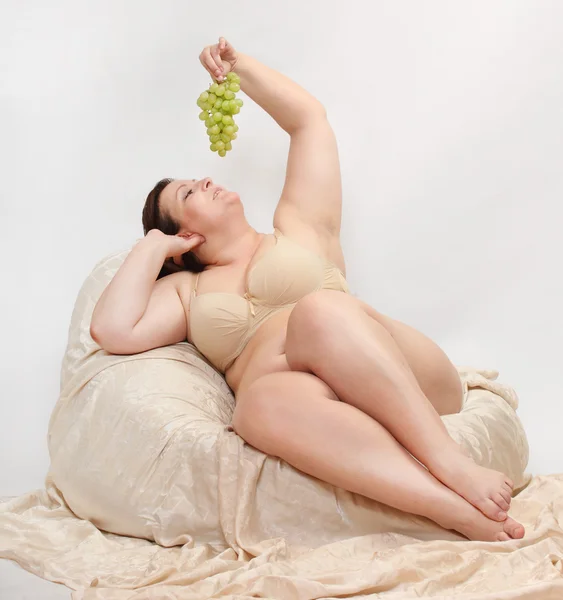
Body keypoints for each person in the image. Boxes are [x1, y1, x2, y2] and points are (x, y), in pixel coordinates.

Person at [91, 37, 525, 543]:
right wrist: (152, 246)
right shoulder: (187, 290)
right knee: (254, 409)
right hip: (313, 410)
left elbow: (309, 121)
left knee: (318, 311)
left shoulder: (297, 225)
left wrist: (240, 69)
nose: (205, 180)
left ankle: (452, 466)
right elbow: (112, 329)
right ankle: (450, 511)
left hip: (400, 376)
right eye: (188, 192)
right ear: (185, 238)